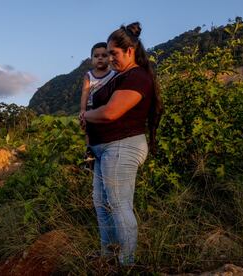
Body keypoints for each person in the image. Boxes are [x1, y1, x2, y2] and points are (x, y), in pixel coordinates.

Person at [79, 22, 163, 265]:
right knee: (102, 203)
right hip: (104, 149)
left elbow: (110, 113)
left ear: (129, 51)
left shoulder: (137, 76)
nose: (110, 58)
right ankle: (109, 255)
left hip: (122, 146)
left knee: (118, 204)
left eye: (114, 53)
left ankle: (127, 263)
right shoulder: (121, 76)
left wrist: (85, 116)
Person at [80, 42, 116, 169]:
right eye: (96, 56)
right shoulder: (89, 75)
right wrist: (83, 110)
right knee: (89, 129)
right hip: (91, 107)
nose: (100, 58)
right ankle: (89, 152)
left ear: (110, 58)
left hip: (107, 107)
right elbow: (85, 93)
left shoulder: (114, 74)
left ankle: (108, 149)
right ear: (91, 59)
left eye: (104, 55)